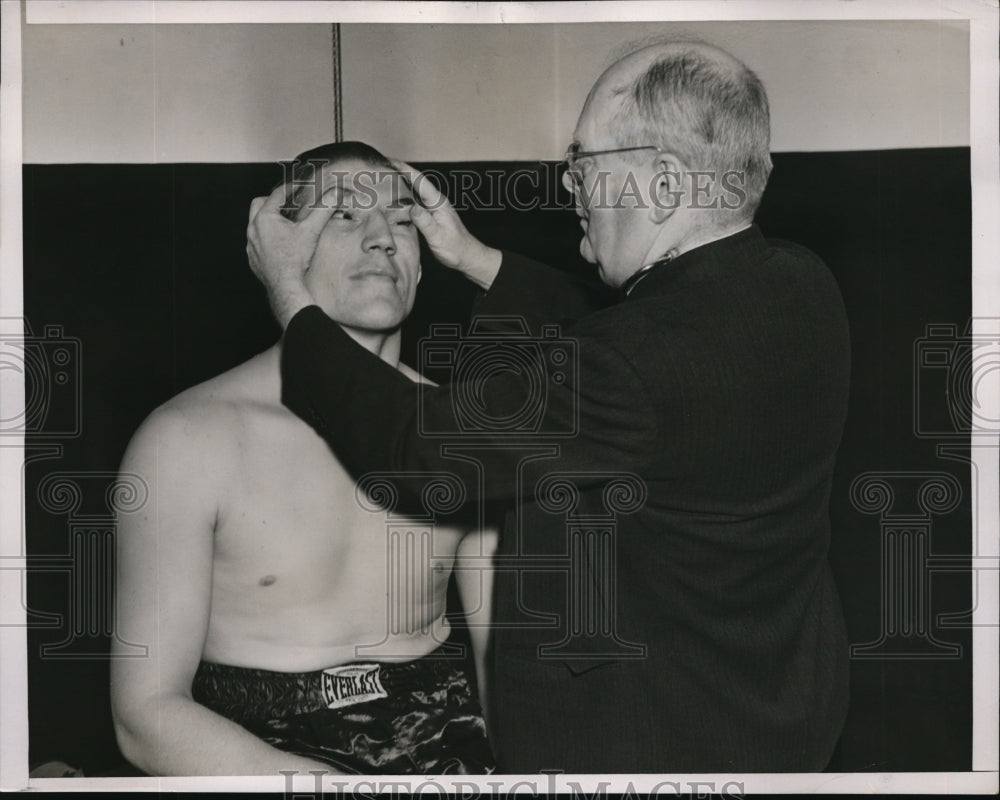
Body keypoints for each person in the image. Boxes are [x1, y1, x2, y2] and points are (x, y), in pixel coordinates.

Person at [247, 41, 851, 773]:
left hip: (652, 747)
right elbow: (642, 342)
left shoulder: (630, 367)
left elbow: (413, 448)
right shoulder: (799, 282)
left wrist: (291, 295)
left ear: (661, 186)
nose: (571, 190)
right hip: (780, 718)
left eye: (584, 165)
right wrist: (474, 257)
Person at [110, 141, 497, 776]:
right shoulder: (187, 439)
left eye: (403, 221)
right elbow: (145, 715)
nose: (383, 238)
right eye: (345, 215)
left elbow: (504, 671)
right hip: (262, 761)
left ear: (423, 266)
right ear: (280, 251)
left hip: (449, 751)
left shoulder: (462, 432)